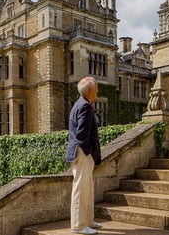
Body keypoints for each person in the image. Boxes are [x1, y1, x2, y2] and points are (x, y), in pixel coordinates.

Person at [66, 77, 102, 235]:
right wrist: (89, 151)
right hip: (82, 152)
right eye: (96, 88)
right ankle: (79, 226)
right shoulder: (85, 106)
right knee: (81, 188)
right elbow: (81, 134)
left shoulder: (79, 104)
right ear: (91, 91)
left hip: (81, 152)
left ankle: (88, 222)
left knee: (87, 188)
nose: (98, 91)